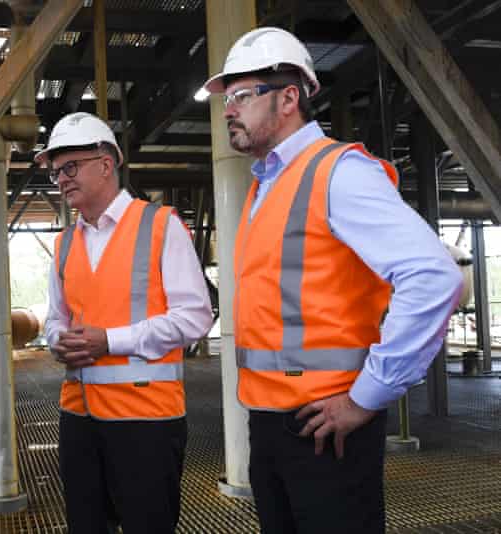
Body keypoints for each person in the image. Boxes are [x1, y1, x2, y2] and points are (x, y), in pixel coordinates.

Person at [203, 27, 463, 534]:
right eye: (225, 100)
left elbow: (433, 277)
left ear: (288, 98)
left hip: (328, 427)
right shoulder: (266, 185)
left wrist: (367, 396)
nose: (227, 110)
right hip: (270, 421)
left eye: (239, 95)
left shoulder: (338, 172)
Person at [39, 112, 213, 534]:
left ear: (105, 162)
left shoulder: (160, 226)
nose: (61, 179)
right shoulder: (64, 244)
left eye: (70, 167)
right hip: (78, 419)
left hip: (146, 420)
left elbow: (195, 317)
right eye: (56, 171)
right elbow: (54, 320)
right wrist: (56, 342)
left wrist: (110, 341)